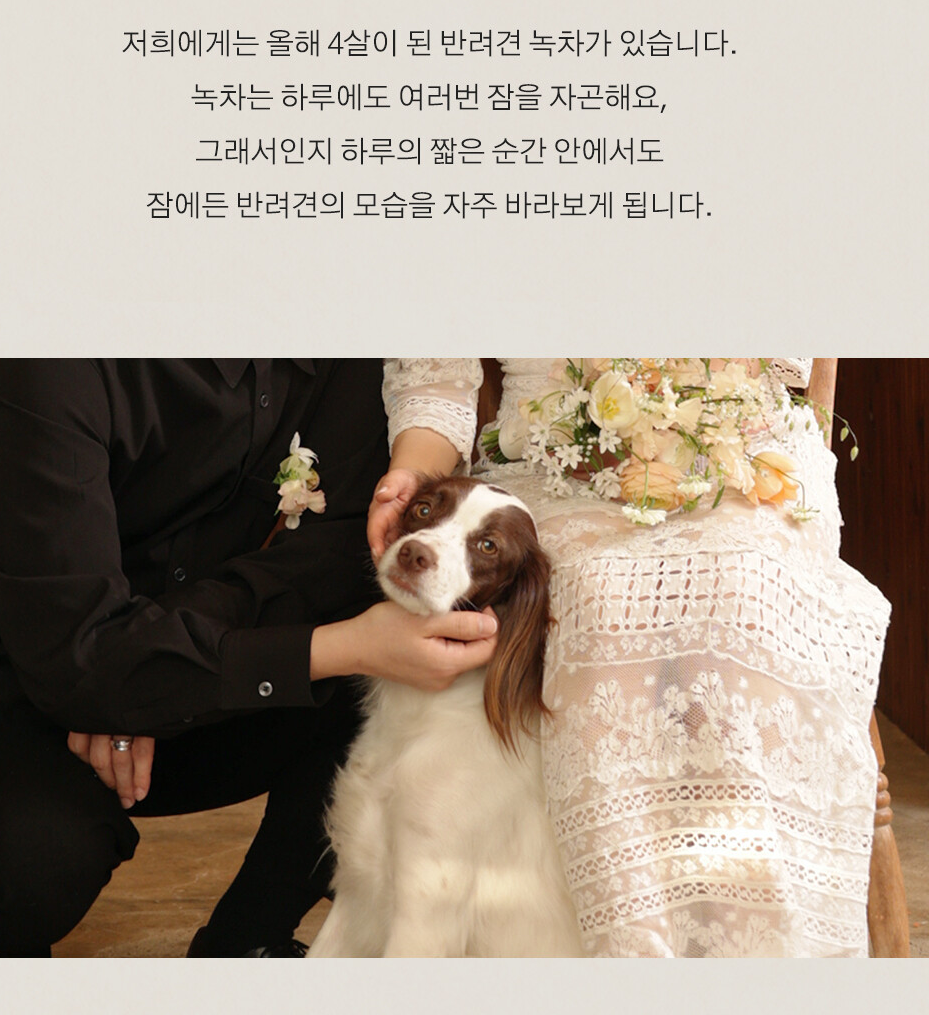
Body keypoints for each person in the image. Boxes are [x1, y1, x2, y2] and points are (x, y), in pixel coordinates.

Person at [0, 361, 496, 954]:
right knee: (33, 867)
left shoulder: (344, 359)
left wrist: (150, 668)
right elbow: (71, 647)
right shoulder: (55, 362)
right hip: (15, 672)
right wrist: (121, 672)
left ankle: (243, 944)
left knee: (406, 683)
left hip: (169, 669)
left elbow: (330, 556)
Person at [377, 359, 900, 957]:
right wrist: (408, 475)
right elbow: (436, 380)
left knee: (734, 592)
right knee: (597, 595)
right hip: (548, 468)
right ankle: (628, 945)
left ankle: (750, 943)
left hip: (745, 472)